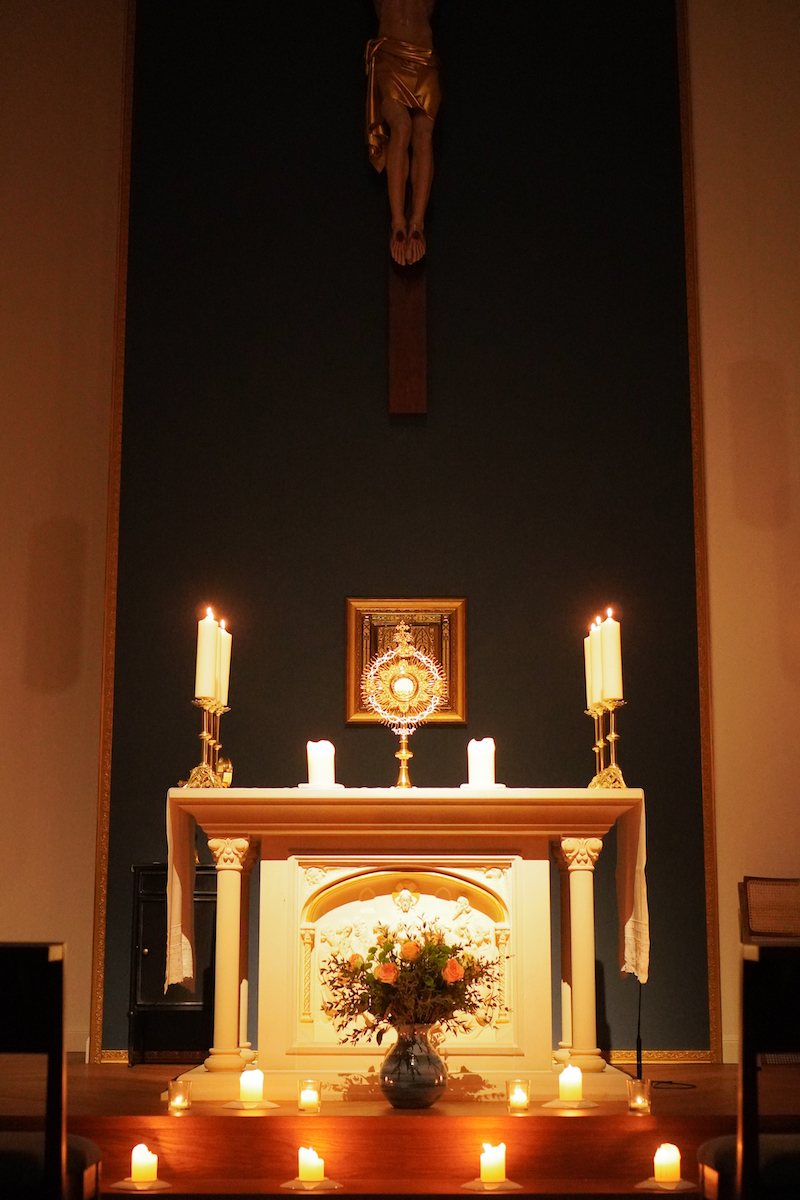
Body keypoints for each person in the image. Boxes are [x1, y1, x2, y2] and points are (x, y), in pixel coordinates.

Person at [366, 1, 440, 264]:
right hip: (390, 55)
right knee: (402, 126)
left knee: (424, 133)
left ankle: (417, 223)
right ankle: (398, 222)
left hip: (423, 57)